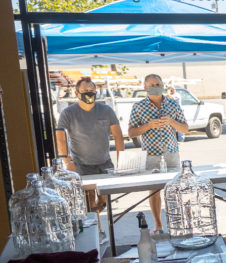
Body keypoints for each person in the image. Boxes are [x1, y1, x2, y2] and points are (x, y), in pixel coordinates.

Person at [128, 74, 188, 232]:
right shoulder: (138, 106)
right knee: (154, 190)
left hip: (171, 153)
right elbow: (131, 133)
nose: (155, 86)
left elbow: (185, 128)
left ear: (163, 85)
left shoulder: (173, 103)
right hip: (151, 155)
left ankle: (178, 224)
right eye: (152, 84)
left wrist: (171, 122)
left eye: (158, 83)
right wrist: (148, 125)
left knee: (175, 189)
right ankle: (159, 225)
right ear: (145, 87)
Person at [56, 77, 125, 210]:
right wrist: (67, 161)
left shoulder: (106, 110)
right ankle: (97, 227)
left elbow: (118, 136)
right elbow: (60, 136)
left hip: (104, 163)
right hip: (81, 165)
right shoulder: (68, 113)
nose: (89, 93)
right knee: (89, 203)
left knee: (104, 200)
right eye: (86, 90)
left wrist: (121, 161)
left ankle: (100, 222)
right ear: (77, 93)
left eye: (92, 90)